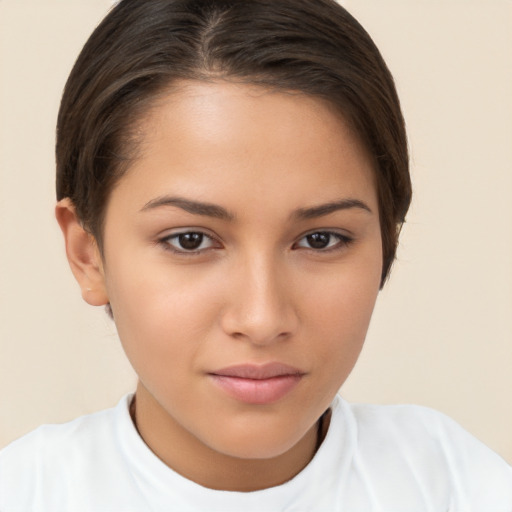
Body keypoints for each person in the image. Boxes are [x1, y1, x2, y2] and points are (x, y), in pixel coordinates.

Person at [0, 0, 510, 510]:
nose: (262, 319)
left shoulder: (458, 488)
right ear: (88, 255)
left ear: (386, 240)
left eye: (320, 239)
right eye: (190, 240)